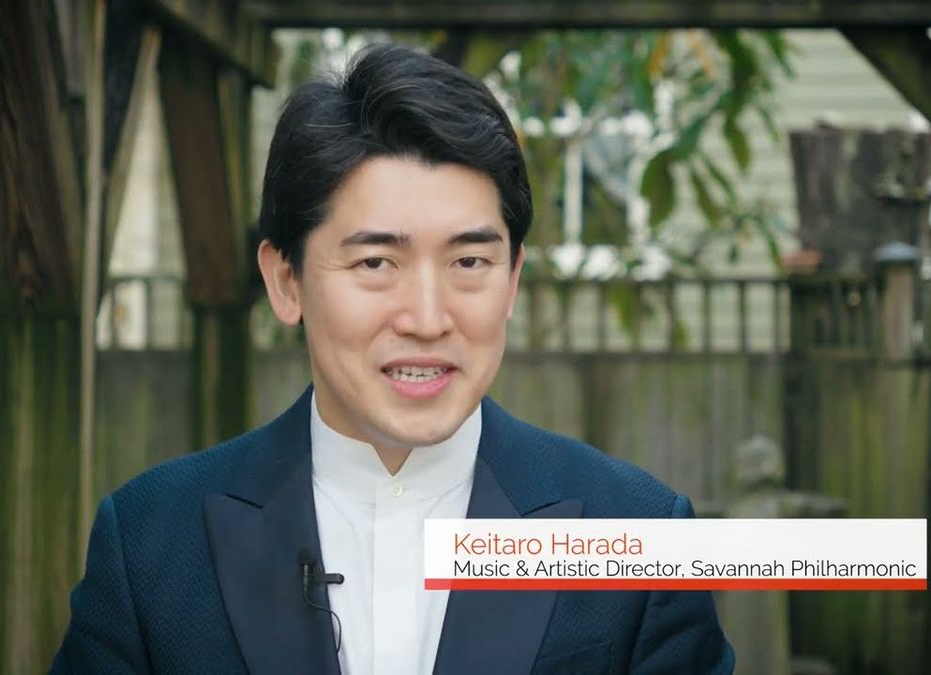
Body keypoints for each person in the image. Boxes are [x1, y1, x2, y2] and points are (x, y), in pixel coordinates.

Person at [51, 43, 734, 674]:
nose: (428, 319)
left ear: (512, 280)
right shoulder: (149, 543)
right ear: (286, 281)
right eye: (376, 262)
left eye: (469, 261)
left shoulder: (640, 534)